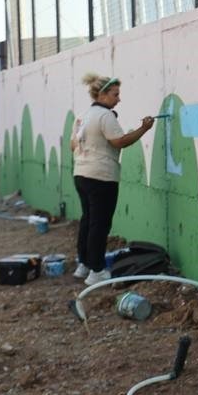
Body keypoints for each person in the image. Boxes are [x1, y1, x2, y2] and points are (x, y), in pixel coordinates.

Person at [70, 73, 154, 286]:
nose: (119, 99)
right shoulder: (105, 116)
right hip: (101, 177)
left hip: (81, 174)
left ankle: (84, 264)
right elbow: (120, 141)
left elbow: (73, 145)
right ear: (103, 94)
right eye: (116, 94)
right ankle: (97, 271)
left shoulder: (83, 115)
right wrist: (144, 128)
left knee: (88, 220)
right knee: (100, 224)